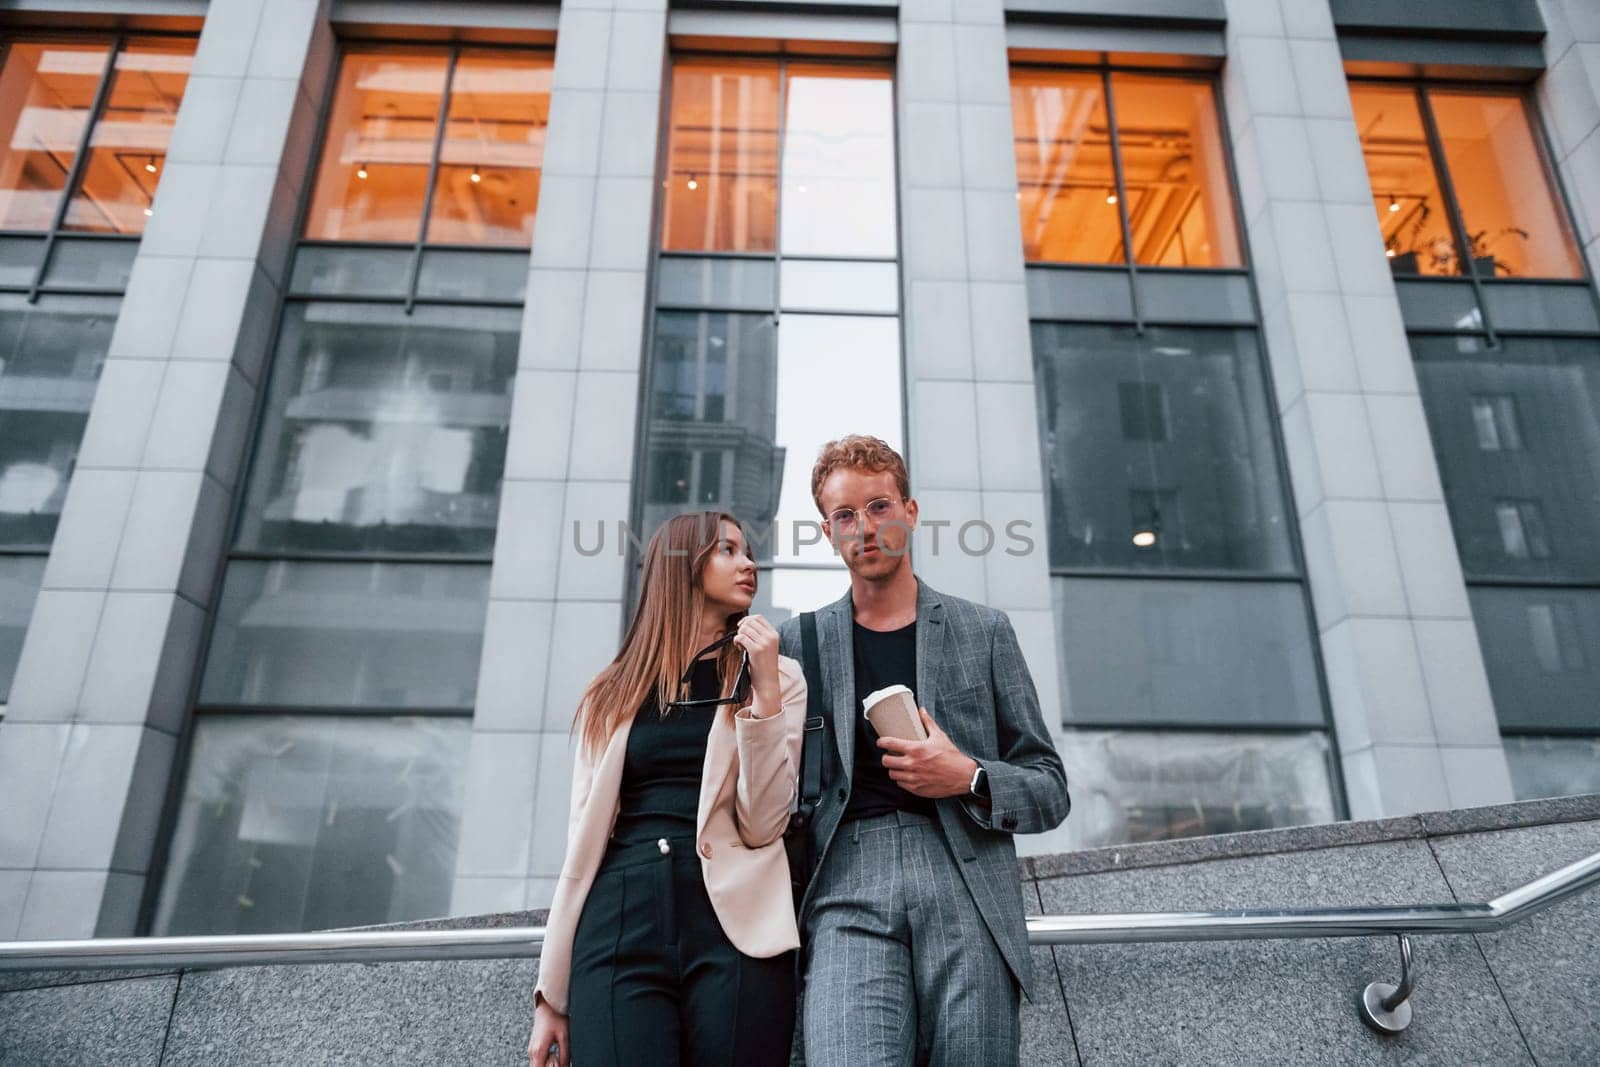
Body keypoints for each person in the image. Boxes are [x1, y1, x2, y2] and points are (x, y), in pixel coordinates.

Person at [777, 435, 1070, 1067]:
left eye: (880, 506)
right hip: (845, 882)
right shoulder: (796, 643)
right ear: (826, 532)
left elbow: (1050, 785)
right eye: (845, 516)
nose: (865, 528)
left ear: (910, 512)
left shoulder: (983, 631)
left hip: (964, 875)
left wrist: (968, 777)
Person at [527, 511, 807, 1067]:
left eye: (747, 551)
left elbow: (765, 821)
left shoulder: (777, 677)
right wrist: (551, 995)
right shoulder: (612, 690)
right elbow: (581, 843)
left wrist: (766, 690)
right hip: (619, 917)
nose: (749, 562)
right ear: (682, 565)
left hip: (734, 920)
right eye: (728, 550)